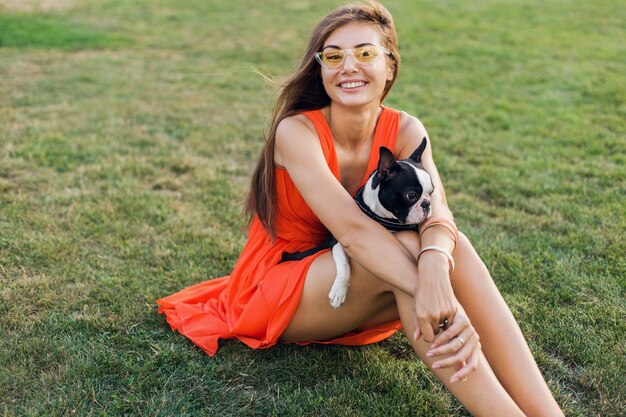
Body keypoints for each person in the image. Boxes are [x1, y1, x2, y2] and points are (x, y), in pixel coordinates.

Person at [157, 2, 564, 415]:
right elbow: (352, 232)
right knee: (403, 247)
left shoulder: (406, 130)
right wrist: (437, 294)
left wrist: (437, 269)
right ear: (321, 69)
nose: (349, 65)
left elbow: (438, 215)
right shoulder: (296, 132)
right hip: (281, 287)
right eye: (333, 56)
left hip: (358, 282)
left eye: (365, 53)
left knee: (449, 249)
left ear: (389, 66)